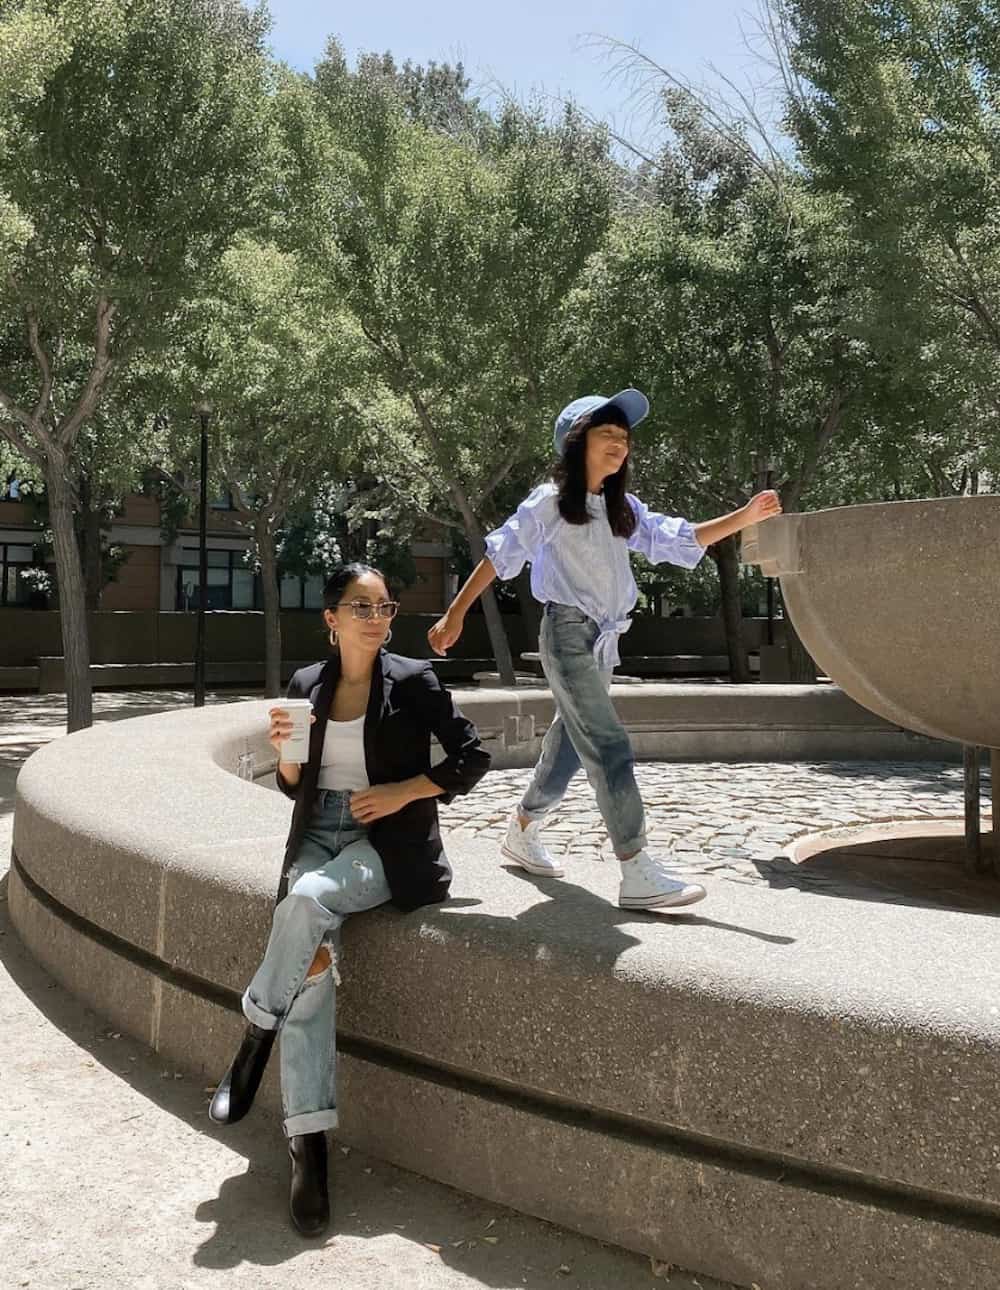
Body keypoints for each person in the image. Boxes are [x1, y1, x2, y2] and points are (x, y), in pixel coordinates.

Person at [210, 562, 490, 1236]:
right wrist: (283, 758)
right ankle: (309, 1149)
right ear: (331, 618)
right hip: (317, 828)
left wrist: (402, 791)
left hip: (386, 843)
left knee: (305, 901)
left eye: (384, 607)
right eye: (360, 607)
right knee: (310, 973)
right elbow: (293, 785)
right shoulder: (309, 684)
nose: (375, 617)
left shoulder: (415, 682)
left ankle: (255, 1032)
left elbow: (470, 756)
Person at [428, 388, 782, 912]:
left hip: (602, 642)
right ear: (578, 443)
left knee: (572, 744)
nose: (620, 444)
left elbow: (677, 539)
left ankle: (522, 829)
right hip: (567, 634)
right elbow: (502, 553)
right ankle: (635, 867)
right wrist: (455, 612)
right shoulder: (550, 501)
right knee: (610, 745)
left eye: (624, 436)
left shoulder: (621, 508)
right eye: (607, 434)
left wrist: (745, 516)